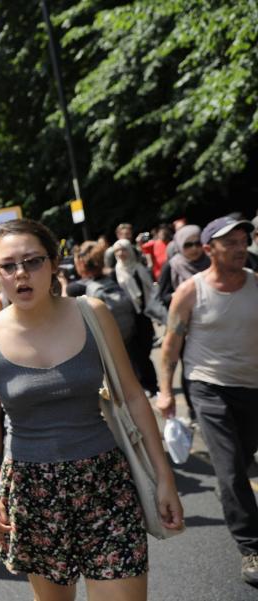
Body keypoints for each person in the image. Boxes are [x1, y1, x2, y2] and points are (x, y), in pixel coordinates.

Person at [0, 218, 182, 600]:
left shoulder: (91, 312)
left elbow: (131, 397)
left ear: (53, 263)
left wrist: (165, 477)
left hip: (106, 484)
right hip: (32, 493)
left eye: (32, 261)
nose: (21, 274)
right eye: (8, 266)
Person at [156, 215, 258, 585]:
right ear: (210, 249)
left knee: (242, 461)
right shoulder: (191, 292)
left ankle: (232, 494)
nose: (239, 247)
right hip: (208, 386)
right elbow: (170, 347)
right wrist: (167, 391)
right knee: (230, 468)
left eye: (243, 240)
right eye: (230, 242)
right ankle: (251, 546)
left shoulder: (256, 285)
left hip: (252, 388)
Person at [111, 240, 164, 395]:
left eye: (124, 250)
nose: (121, 254)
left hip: (144, 314)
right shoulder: (116, 272)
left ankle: (151, 383)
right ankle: (145, 385)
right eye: (117, 251)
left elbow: (151, 290)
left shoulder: (140, 269)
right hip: (127, 317)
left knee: (146, 351)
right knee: (135, 353)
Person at [157, 224, 210, 307]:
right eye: (188, 245)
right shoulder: (172, 266)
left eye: (198, 243)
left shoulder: (211, 261)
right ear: (179, 245)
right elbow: (163, 297)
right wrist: (181, 294)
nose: (194, 248)